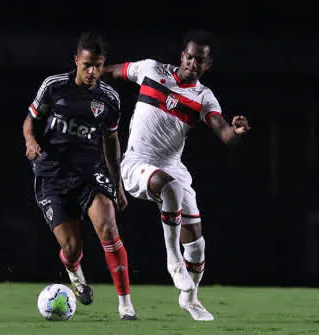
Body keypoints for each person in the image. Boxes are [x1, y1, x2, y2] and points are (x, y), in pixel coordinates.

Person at [103, 30, 250, 321]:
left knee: (196, 244)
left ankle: (190, 299)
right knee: (169, 189)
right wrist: (88, 76)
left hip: (172, 165)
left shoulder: (203, 96)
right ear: (183, 55)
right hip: (136, 162)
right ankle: (173, 261)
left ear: (208, 65)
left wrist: (237, 133)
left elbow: (223, 132)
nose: (193, 63)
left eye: (201, 60)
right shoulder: (151, 69)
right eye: (191, 56)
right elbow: (113, 71)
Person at [23, 32, 137, 320]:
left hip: (89, 173)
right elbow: (30, 121)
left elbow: (111, 142)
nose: (92, 72)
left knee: (108, 226)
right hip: (52, 174)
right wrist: (30, 142)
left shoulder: (109, 98)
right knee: (72, 249)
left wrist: (118, 185)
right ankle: (75, 274)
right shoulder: (54, 86)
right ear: (76, 61)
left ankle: (126, 306)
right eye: (87, 65)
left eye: (98, 65)